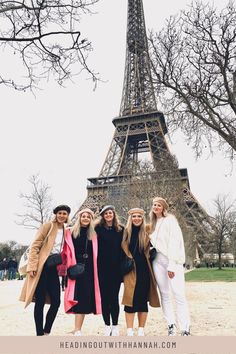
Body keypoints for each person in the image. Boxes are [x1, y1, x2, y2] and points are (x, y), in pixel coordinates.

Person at [19, 204, 71, 336]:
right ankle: (39, 334)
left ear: (67, 216)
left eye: (64, 213)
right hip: (41, 268)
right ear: (56, 214)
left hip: (53, 268)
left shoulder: (66, 229)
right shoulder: (48, 226)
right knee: (40, 301)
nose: (62, 215)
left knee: (56, 302)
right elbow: (35, 245)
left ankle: (47, 330)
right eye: (59, 213)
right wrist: (32, 266)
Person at [149, 197, 190, 336]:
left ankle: (185, 328)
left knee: (179, 294)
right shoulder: (152, 224)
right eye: (154, 205)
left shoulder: (171, 220)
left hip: (172, 261)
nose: (156, 207)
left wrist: (172, 265)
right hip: (157, 262)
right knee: (164, 295)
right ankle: (170, 325)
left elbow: (175, 242)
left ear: (164, 207)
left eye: (159, 205)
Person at [62, 208, 101, 336]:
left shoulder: (94, 235)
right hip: (74, 269)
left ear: (91, 219)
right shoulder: (69, 232)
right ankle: (76, 328)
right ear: (79, 218)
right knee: (76, 298)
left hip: (89, 270)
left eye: (88, 217)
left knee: (83, 299)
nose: (85, 218)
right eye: (83, 216)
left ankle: (78, 328)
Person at [121, 208, 160, 336]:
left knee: (142, 300)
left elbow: (160, 225)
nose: (136, 218)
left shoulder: (148, 231)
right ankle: (130, 330)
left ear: (143, 218)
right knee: (130, 299)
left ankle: (141, 329)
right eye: (134, 216)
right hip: (130, 270)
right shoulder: (125, 232)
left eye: (139, 216)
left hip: (144, 269)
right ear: (130, 218)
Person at [95, 205, 124, 336]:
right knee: (104, 299)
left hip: (116, 270)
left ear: (114, 214)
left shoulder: (121, 230)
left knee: (114, 299)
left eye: (110, 213)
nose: (108, 215)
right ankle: (107, 325)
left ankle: (115, 325)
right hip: (101, 269)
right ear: (102, 216)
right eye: (105, 213)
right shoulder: (97, 229)